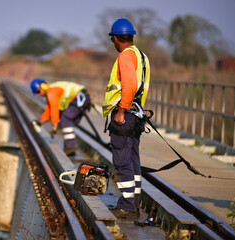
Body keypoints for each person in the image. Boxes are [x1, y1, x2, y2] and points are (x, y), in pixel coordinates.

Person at [102, 18, 151, 219]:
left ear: (115, 38)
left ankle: (127, 206)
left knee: (122, 161)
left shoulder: (125, 56)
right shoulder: (142, 56)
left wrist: (121, 111)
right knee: (132, 161)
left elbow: (130, 86)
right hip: (137, 114)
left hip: (126, 115)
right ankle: (134, 203)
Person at [30, 78, 91, 156]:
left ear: (44, 86)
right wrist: (39, 122)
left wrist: (55, 125)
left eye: (38, 91)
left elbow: (55, 109)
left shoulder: (51, 93)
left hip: (80, 96)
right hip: (80, 97)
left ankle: (70, 147)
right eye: (36, 93)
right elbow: (48, 111)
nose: (38, 95)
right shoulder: (50, 93)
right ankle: (70, 148)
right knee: (67, 122)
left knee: (66, 119)